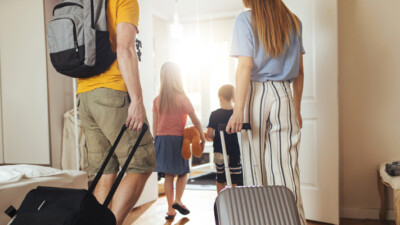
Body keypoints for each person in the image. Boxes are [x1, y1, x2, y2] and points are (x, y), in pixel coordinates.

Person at [226, 0, 307, 224]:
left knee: (255, 169)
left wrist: (238, 109)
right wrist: (296, 109)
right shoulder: (294, 21)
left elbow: (244, 66)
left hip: (255, 95)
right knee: (287, 169)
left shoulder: (244, 19)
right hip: (284, 94)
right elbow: (299, 72)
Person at [77, 1, 156, 225]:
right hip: (113, 93)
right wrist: (137, 100)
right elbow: (125, 48)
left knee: (105, 170)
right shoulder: (126, 1)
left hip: (85, 94)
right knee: (142, 163)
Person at [153, 62, 205, 220]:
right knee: (183, 173)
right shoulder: (183, 98)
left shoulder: (157, 100)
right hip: (178, 141)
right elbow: (195, 121)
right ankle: (178, 200)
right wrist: (201, 136)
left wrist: (155, 145)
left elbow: (155, 127)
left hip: (161, 140)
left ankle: (170, 210)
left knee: (168, 176)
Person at [206, 84, 243, 193]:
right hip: (234, 151)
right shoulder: (236, 114)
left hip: (219, 151)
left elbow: (209, 133)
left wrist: (215, 140)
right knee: (234, 178)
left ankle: (221, 199)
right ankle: (233, 199)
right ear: (234, 98)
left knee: (220, 177)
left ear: (220, 98)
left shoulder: (214, 114)